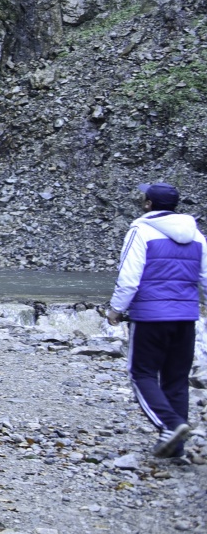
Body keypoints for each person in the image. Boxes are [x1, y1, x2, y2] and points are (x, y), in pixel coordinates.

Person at [105, 182, 207, 459]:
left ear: (149, 204)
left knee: (141, 374)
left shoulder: (141, 229)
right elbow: (206, 279)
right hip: (186, 317)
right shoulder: (196, 235)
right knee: (176, 380)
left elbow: (129, 276)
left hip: (150, 317)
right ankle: (176, 447)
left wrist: (115, 309)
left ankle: (170, 425)